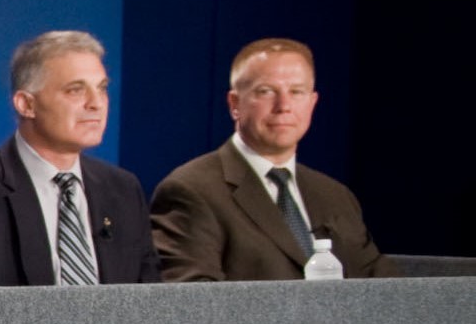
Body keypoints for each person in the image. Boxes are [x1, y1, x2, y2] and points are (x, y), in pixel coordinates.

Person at [0, 29, 161, 286]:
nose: (96, 103)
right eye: (76, 90)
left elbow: (152, 304)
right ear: (26, 104)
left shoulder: (123, 190)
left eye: (102, 89)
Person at [149, 38, 395, 280]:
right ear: (234, 103)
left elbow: (381, 287)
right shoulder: (191, 190)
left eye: (296, 92)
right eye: (266, 91)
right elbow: (193, 303)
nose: (283, 105)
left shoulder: (336, 196)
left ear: (312, 103)